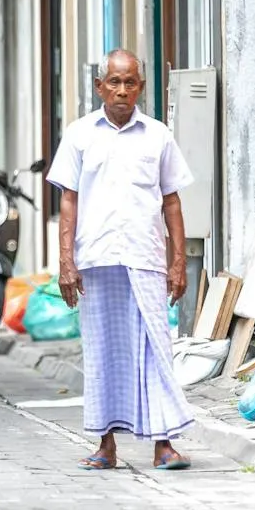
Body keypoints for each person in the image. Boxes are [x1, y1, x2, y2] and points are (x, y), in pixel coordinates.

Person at [46, 49, 195, 473]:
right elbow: (69, 202)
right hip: (96, 259)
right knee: (103, 351)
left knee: (154, 349)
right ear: (100, 86)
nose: (122, 90)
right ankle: (105, 444)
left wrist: (178, 261)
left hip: (145, 256)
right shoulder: (79, 135)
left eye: (130, 83)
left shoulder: (158, 136)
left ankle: (163, 445)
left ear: (141, 88)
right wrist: (66, 261)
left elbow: (172, 202)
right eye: (114, 82)